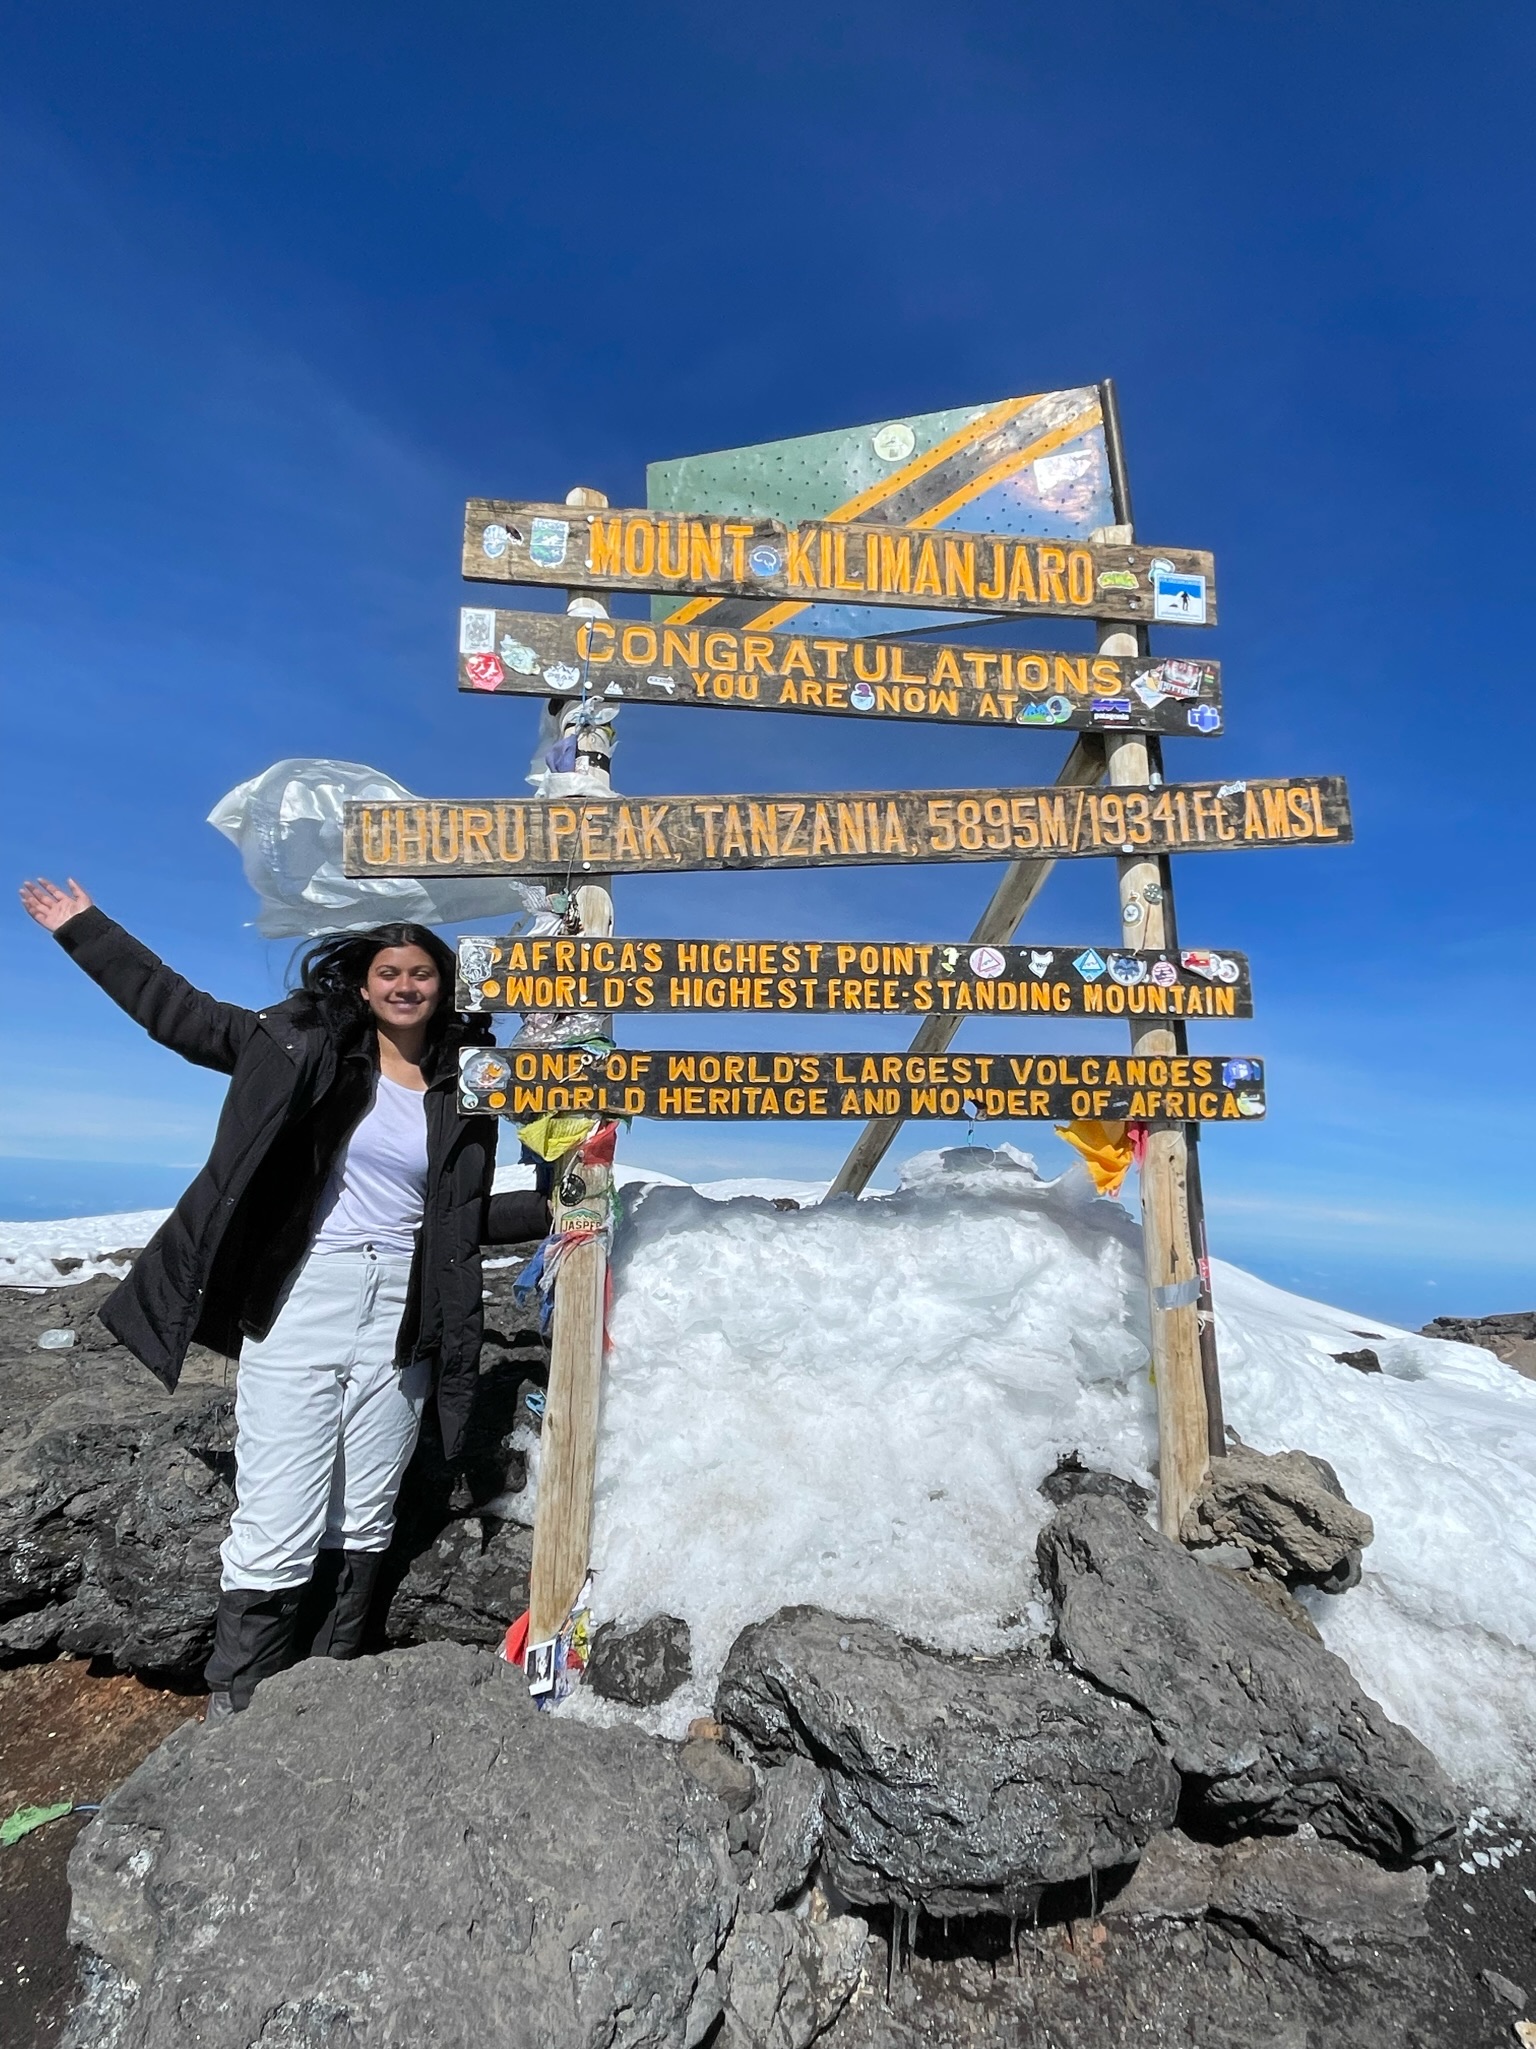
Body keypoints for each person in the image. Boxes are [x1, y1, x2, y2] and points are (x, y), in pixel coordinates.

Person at [18, 878, 549, 1717]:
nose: (404, 986)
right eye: (389, 972)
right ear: (364, 980)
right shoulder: (301, 1042)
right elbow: (179, 1013)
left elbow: (456, 1217)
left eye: (421, 973)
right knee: (280, 1502)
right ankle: (243, 1710)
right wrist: (84, 928)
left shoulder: (460, 1086)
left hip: (405, 1310)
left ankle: (327, 1695)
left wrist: (561, 1204)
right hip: (309, 1291)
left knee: (368, 1501)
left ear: (443, 983)